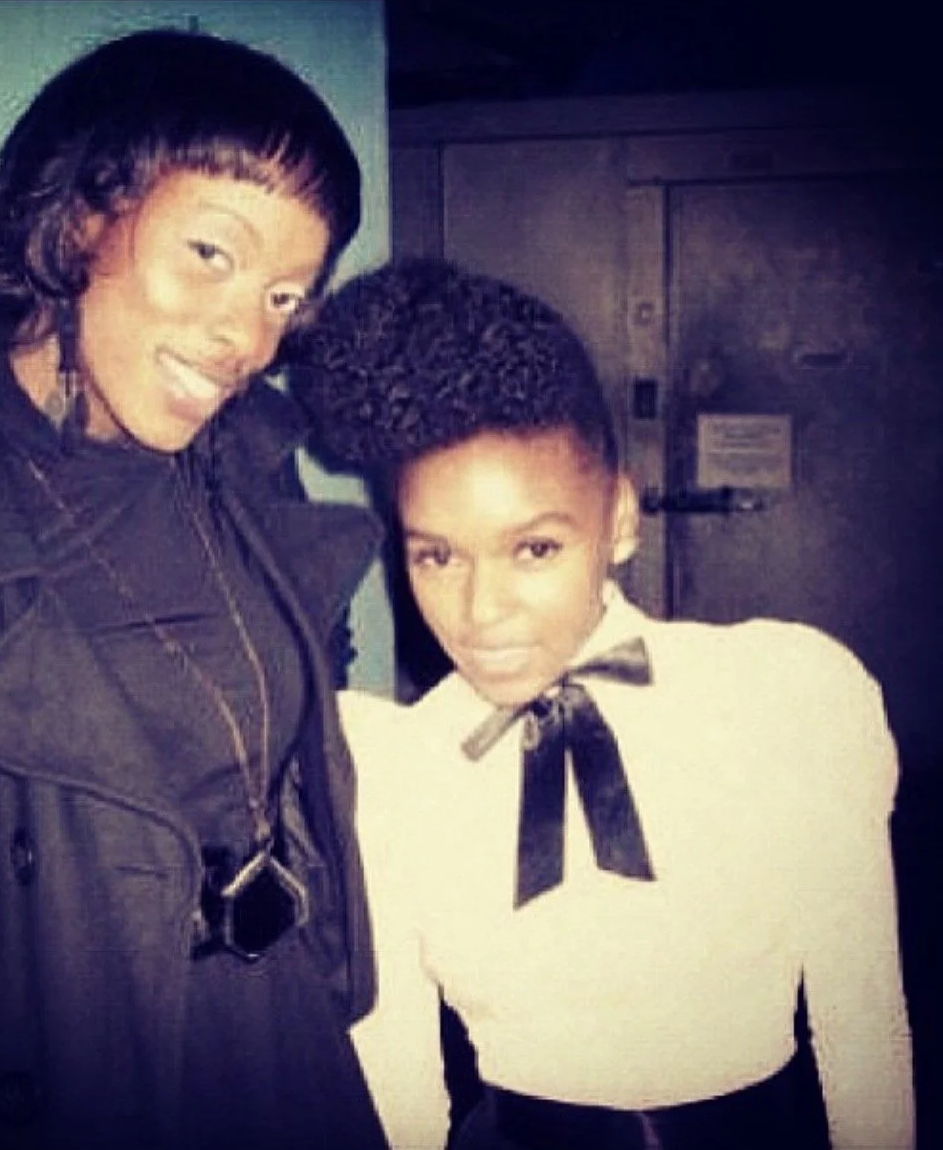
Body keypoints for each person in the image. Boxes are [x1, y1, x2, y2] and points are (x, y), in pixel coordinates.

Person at [0, 29, 390, 1150]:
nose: (245, 337)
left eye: (282, 296)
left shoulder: (254, 467)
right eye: (211, 253)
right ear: (78, 219)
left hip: (283, 1053)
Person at [284, 258, 916, 1150]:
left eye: (534, 549)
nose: (481, 610)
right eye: (438, 556)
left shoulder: (785, 699)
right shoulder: (396, 765)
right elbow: (399, 1078)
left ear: (618, 518)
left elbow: (865, 1031)